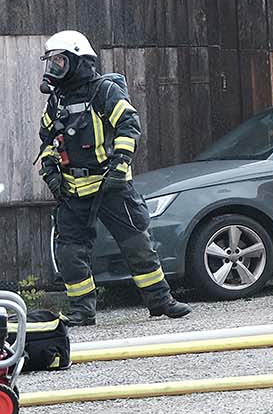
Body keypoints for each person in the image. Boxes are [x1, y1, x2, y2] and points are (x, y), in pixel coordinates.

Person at [37, 31, 190, 323]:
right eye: (51, 62)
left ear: (76, 60)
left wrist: (120, 166)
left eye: (59, 61)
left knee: (137, 244)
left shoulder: (104, 91)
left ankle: (161, 301)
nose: (54, 68)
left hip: (111, 184)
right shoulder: (57, 100)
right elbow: (46, 140)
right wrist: (50, 171)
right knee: (70, 252)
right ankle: (82, 310)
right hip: (72, 189)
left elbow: (129, 126)